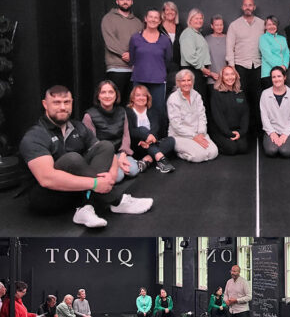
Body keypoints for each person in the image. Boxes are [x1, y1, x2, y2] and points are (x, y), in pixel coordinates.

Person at [20, 85, 153, 228]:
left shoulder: (78, 127)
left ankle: (85, 208)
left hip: (77, 192)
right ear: (45, 104)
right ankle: (117, 200)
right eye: (56, 102)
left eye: (66, 102)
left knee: (106, 146)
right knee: (72, 158)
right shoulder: (35, 135)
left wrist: (111, 177)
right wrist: (95, 184)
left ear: (72, 102)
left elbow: (109, 154)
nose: (62, 107)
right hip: (48, 197)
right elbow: (46, 179)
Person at [83, 81, 146, 178]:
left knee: (133, 170)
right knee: (118, 176)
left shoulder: (122, 111)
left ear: (116, 95)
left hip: (119, 152)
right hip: (102, 155)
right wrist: (115, 160)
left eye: (111, 92)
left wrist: (123, 154)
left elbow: (126, 134)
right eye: (103, 92)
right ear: (98, 96)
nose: (107, 96)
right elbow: (91, 144)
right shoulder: (89, 116)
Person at [129, 9, 173, 130]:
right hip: (139, 79)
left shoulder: (165, 40)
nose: (153, 20)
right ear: (145, 19)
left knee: (158, 110)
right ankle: (139, 139)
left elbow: (168, 60)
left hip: (158, 81)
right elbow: (132, 59)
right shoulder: (135, 38)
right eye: (151, 17)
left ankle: (158, 140)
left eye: (156, 18)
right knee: (137, 110)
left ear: (160, 21)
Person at [227, 0, 265, 130]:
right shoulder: (234, 25)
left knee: (257, 99)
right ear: (242, 7)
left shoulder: (262, 24)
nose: (248, 7)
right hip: (240, 67)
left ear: (254, 7)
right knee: (241, 99)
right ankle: (242, 129)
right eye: (245, 5)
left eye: (250, 5)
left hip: (258, 66)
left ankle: (256, 130)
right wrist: (232, 68)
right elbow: (229, 48)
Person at [100, 0, 143, 104]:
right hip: (116, 68)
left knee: (130, 103)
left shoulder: (138, 22)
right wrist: (127, 54)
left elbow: (141, 44)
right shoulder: (108, 19)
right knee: (114, 102)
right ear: (117, 1)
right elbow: (110, 42)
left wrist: (132, 56)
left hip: (134, 70)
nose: (125, 2)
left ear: (131, 2)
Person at [168, 69, 218, 162]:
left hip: (199, 133)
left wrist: (201, 133)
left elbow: (202, 116)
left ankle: (196, 147)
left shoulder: (197, 95)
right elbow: (176, 125)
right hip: (180, 135)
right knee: (199, 156)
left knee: (213, 153)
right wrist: (193, 136)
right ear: (178, 83)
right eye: (183, 80)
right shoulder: (173, 99)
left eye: (189, 80)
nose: (186, 83)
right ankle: (180, 153)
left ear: (193, 81)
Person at [126, 84, 176, 173]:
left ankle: (146, 160)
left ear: (147, 98)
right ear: (132, 98)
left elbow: (155, 130)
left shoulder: (153, 111)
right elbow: (130, 131)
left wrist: (149, 141)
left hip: (151, 144)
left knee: (171, 140)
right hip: (137, 145)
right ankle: (161, 160)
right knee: (142, 129)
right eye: (138, 95)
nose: (141, 98)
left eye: (144, 95)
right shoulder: (127, 112)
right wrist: (145, 136)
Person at [207, 65, 250, 156]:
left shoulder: (240, 93)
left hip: (236, 130)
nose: (230, 77)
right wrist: (228, 133)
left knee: (243, 148)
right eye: (226, 75)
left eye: (232, 74)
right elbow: (217, 116)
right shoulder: (216, 93)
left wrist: (241, 132)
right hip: (221, 131)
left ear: (235, 76)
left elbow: (245, 114)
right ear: (222, 77)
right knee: (231, 149)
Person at [260, 66, 290, 158]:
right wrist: (272, 133)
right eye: (274, 77)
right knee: (271, 150)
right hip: (272, 130)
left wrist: (285, 134)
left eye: (279, 76)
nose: (276, 79)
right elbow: (264, 117)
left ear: (284, 77)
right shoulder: (265, 94)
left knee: (286, 151)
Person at [179, 8, 212, 102]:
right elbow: (189, 56)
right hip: (192, 72)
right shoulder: (188, 34)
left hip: (198, 72)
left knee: (199, 101)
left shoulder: (197, 34)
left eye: (201, 18)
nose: (199, 20)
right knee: (194, 101)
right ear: (190, 20)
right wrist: (202, 68)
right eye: (196, 18)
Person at [259, 16, 290, 90]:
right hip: (268, 73)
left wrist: (285, 66)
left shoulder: (282, 39)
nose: (272, 26)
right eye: (269, 24)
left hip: (282, 72)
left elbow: (287, 54)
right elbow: (267, 56)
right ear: (265, 26)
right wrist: (279, 68)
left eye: (274, 24)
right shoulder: (263, 38)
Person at [159, 1, 183, 92]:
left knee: (175, 92)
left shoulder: (179, 27)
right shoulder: (158, 27)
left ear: (176, 13)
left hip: (176, 65)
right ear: (163, 12)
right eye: (167, 10)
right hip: (161, 64)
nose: (170, 12)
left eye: (173, 10)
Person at [205, 15, 227, 88]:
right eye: (217, 25)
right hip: (211, 79)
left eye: (221, 25)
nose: (219, 27)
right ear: (212, 26)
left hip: (227, 79)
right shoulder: (206, 39)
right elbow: (202, 60)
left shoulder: (228, 38)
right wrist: (210, 73)